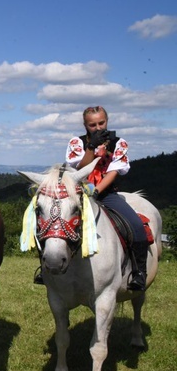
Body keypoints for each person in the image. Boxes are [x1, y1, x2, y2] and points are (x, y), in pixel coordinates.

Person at [63, 105, 148, 291]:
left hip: (106, 193)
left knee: (135, 225)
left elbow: (114, 171)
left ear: (107, 121)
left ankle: (139, 272)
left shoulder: (119, 143)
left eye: (101, 123)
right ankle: (48, 270)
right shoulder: (77, 143)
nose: (98, 127)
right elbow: (78, 168)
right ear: (85, 125)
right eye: (92, 125)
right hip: (78, 193)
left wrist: (96, 191)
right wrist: (91, 147)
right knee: (54, 223)